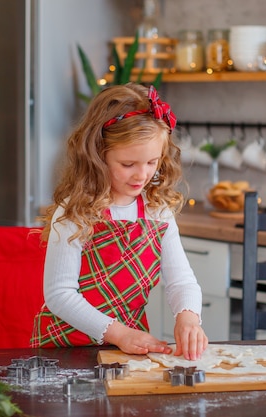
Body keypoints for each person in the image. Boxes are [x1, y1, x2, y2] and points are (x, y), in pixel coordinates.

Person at [31, 83, 208, 360]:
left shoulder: (157, 212)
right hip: (67, 350)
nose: (142, 175)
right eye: (128, 164)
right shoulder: (74, 212)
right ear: (98, 156)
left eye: (152, 162)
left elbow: (181, 281)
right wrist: (119, 334)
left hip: (128, 348)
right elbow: (59, 295)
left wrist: (188, 318)